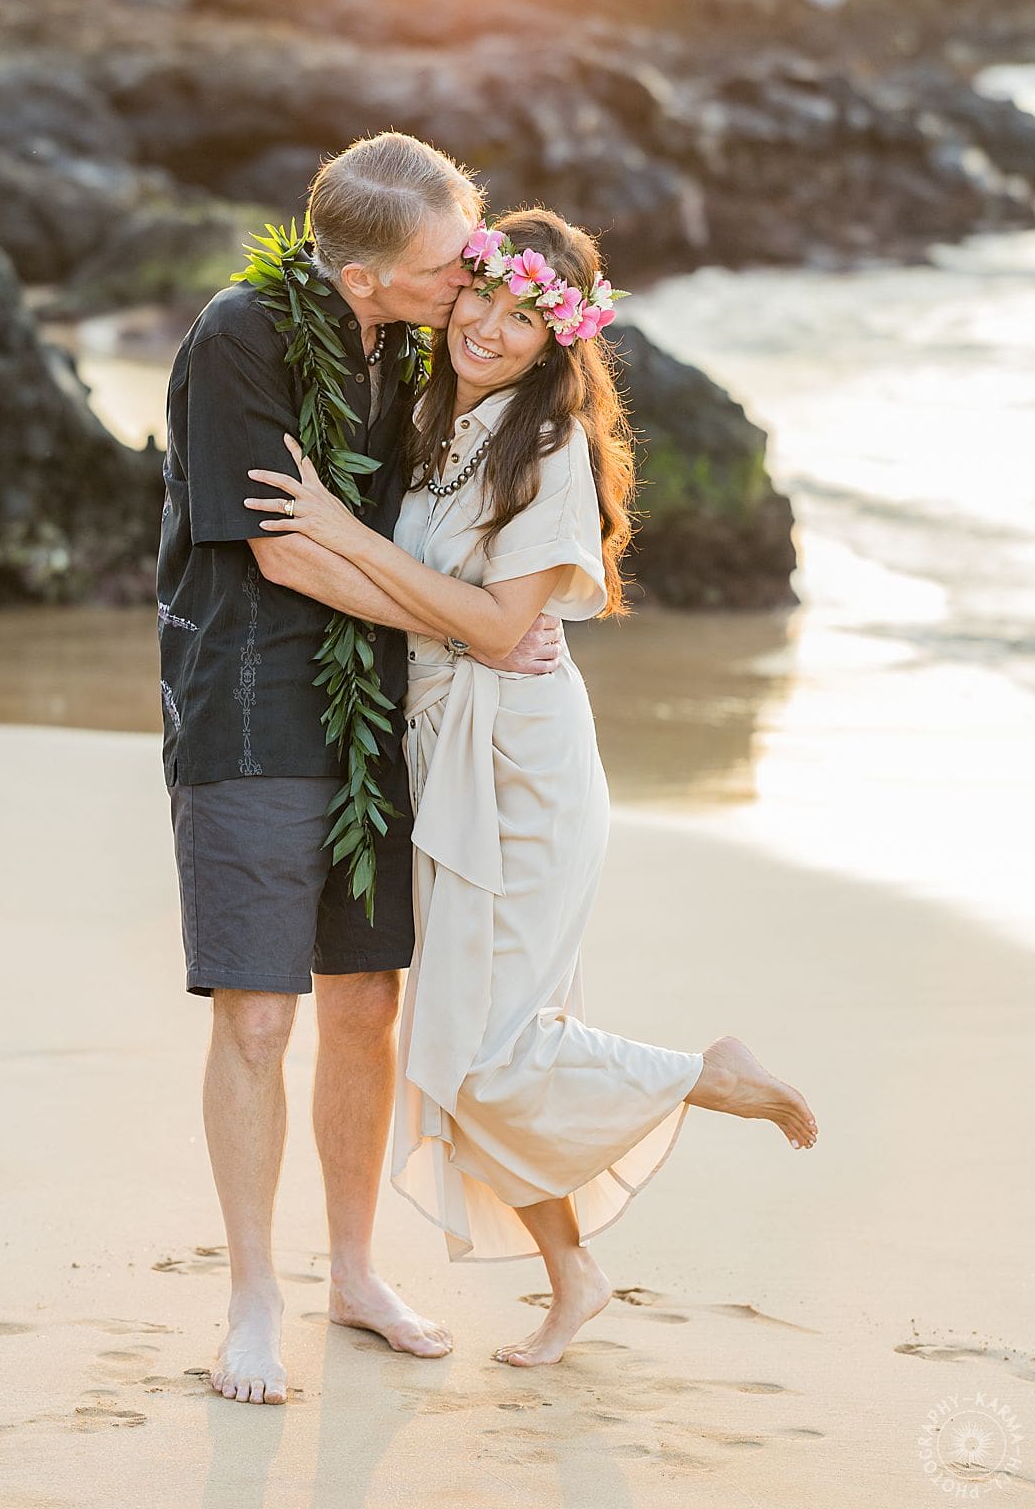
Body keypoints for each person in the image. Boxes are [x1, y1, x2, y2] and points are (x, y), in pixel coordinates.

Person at [245, 205, 819, 1368]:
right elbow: (449, 620)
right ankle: (576, 1277)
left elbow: (495, 625)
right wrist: (375, 565)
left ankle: (704, 1077)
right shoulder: (437, 414)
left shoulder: (548, 449)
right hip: (446, 748)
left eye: (523, 319)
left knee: (480, 1047)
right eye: (483, 300)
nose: (491, 331)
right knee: (475, 1042)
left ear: (561, 339)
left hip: (521, 774)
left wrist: (338, 540)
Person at [156, 135, 563, 1407]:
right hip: (250, 711)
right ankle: (252, 1298)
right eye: (452, 264)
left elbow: (490, 476)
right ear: (369, 274)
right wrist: (469, 621)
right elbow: (288, 556)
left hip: (382, 718)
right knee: (259, 1016)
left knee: (365, 1006)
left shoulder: (421, 345)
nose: (471, 278)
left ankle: (354, 1272)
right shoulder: (240, 339)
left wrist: (496, 602)